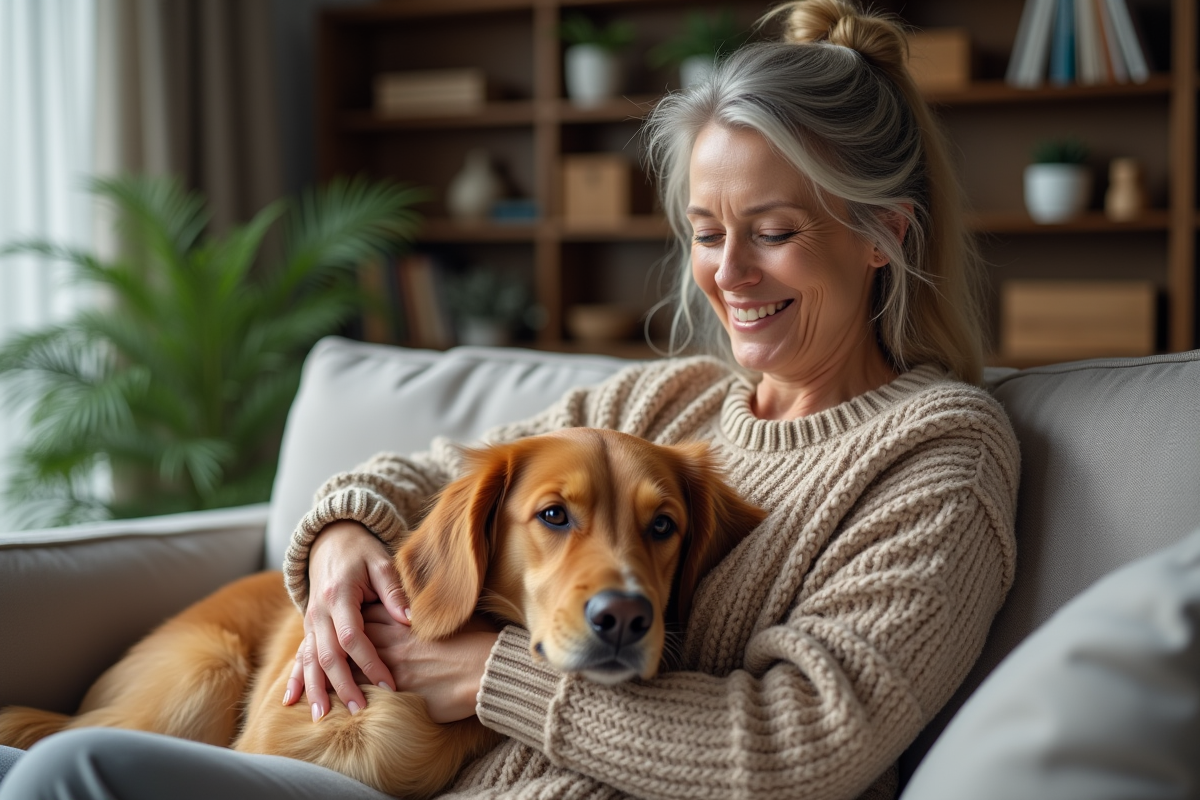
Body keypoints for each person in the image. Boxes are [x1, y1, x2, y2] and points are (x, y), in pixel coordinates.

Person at [0, 1, 1019, 798]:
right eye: (708, 231)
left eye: (775, 229)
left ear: (884, 233)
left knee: (66, 775)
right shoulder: (675, 403)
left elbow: (809, 745)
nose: (730, 272)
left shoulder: (939, 452)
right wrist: (349, 530)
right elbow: (439, 476)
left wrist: (492, 676)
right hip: (399, 769)